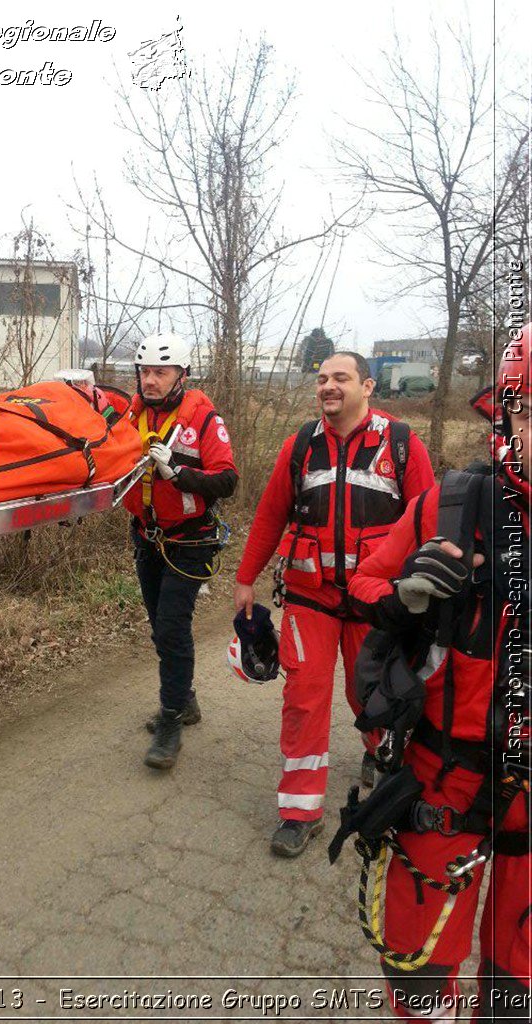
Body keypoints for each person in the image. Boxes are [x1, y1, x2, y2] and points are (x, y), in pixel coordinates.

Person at [347, 327, 531, 1021]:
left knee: (518, 989)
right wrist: (407, 595)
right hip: (443, 780)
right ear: (506, 416)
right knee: (416, 981)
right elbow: (362, 584)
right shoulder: (450, 507)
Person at [234, 352, 435, 857]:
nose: (328, 386)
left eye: (340, 378)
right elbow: (269, 517)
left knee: (371, 694)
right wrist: (244, 579)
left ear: (367, 386)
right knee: (305, 696)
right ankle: (300, 811)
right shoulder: (299, 446)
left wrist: (430, 590)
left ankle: (382, 764)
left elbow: (430, 521)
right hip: (311, 598)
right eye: (322, 379)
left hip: (376, 603)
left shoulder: (402, 444)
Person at [123, 333, 238, 770]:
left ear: (181, 375)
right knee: (160, 627)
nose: (149, 381)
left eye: (160, 372)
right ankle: (185, 701)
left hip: (192, 540)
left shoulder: (204, 419)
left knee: (171, 627)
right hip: (147, 537)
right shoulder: (131, 416)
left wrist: (179, 472)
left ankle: (171, 719)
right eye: (144, 371)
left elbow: (227, 480)